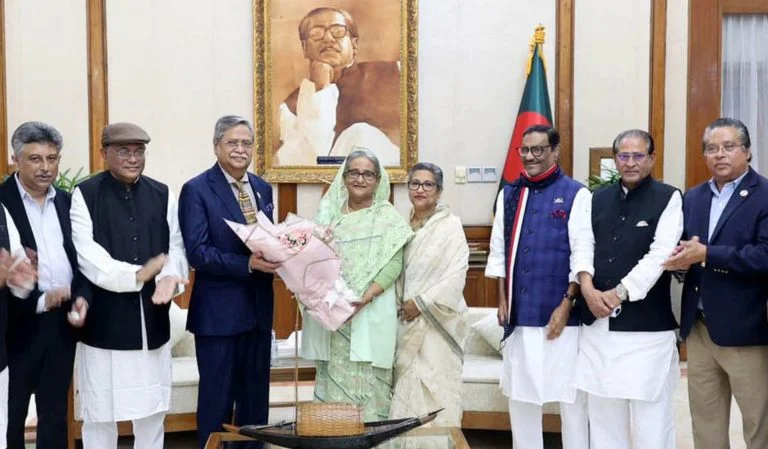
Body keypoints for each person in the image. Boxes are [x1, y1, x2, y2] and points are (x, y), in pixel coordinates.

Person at [70, 122, 188, 449]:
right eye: (124, 151)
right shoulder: (85, 194)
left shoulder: (162, 193)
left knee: (152, 415)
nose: (133, 158)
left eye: (139, 151)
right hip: (103, 325)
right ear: (104, 153)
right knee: (100, 416)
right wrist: (136, 275)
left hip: (151, 322)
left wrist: (168, 279)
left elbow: (176, 247)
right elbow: (87, 255)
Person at [571, 129, 682, 449]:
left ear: (652, 158)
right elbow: (582, 245)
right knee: (603, 417)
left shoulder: (668, 198)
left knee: (651, 421)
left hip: (646, 330)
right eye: (623, 156)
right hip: (598, 327)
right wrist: (587, 288)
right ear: (615, 159)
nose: (630, 162)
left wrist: (618, 293)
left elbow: (660, 256)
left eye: (638, 156)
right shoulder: (595, 198)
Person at [663, 117, 768, 449]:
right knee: (705, 424)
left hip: (747, 330)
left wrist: (708, 254)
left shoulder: (765, 195)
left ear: (747, 151)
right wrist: (679, 263)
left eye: (728, 146)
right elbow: (687, 250)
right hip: (699, 329)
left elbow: (764, 256)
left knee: (759, 424)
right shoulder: (693, 197)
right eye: (711, 148)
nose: (719, 154)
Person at [485, 125, 590, 449]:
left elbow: (582, 254)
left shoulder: (576, 194)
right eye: (525, 150)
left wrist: (566, 304)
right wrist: (502, 298)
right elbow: (499, 250)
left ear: (554, 151)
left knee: (570, 399)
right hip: (520, 314)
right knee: (521, 396)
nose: (530, 156)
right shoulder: (509, 194)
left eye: (538, 150)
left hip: (561, 316)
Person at [178, 116, 277, 449]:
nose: (240, 149)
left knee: (255, 406)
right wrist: (246, 264)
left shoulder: (263, 188)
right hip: (218, 317)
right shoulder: (196, 189)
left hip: (259, 313)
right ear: (216, 146)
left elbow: (267, 240)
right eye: (232, 142)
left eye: (246, 143)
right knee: (216, 404)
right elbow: (198, 252)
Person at [301, 148, 412, 420]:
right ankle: (335, 434)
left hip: (370, 309)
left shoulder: (388, 218)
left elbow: (393, 264)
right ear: (344, 177)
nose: (360, 179)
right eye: (354, 172)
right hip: (334, 315)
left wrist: (365, 297)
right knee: (334, 384)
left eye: (368, 174)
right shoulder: (328, 216)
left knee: (370, 388)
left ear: (378, 180)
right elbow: (311, 261)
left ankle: (371, 434)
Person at [1, 122, 90, 449]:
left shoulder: (68, 202)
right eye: (35, 159)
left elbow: (83, 260)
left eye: (52, 159)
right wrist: (40, 298)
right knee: (10, 415)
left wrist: (81, 297)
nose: (46, 168)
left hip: (62, 324)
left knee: (54, 414)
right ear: (15, 159)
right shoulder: (2, 202)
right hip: (14, 327)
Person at [388, 162, 469, 429]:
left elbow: (456, 274)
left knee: (436, 385)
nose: (420, 189)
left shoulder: (450, 227)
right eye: (415, 183)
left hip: (436, 322)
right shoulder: (401, 225)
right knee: (406, 386)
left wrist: (421, 305)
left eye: (428, 184)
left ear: (439, 190)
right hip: (404, 320)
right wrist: (402, 305)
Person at [276, 7, 401, 166]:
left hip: (390, 175)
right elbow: (304, 163)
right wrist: (321, 90)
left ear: (354, 45)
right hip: (327, 180)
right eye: (316, 33)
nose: (328, 38)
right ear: (305, 48)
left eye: (338, 31)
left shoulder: (396, 72)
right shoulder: (290, 107)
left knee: (361, 133)